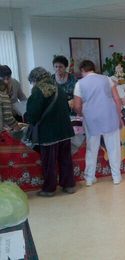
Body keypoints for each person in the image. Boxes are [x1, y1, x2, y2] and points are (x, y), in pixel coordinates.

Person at [24, 67, 76, 197]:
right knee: (65, 159)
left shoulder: (38, 91)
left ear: (35, 79)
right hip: (65, 130)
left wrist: (26, 116)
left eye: (32, 81)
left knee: (49, 162)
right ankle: (69, 185)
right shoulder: (58, 87)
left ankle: (49, 189)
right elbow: (67, 108)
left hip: (48, 133)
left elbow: (33, 115)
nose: (33, 84)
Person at [73, 60, 122, 186]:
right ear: (93, 69)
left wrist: (82, 113)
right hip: (109, 116)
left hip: (91, 119)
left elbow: (77, 105)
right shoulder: (107, 79)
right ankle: (116, 177)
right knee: (113, 148)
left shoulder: (79, 83)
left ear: (83, 70)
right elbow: (117, 99)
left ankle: (89, 178)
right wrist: (119, 116)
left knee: (91, 149)